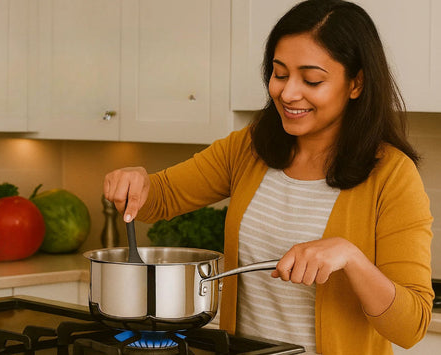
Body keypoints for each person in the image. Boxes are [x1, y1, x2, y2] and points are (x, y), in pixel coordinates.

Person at [103, 0, 434, 354]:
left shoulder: (392, 175)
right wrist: (137, 182)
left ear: (356, 83)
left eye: (311, 80)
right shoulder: (249, 147)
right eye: (279, 74)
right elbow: (162, 197)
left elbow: (410, 326)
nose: (288, 93)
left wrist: (351, 258)